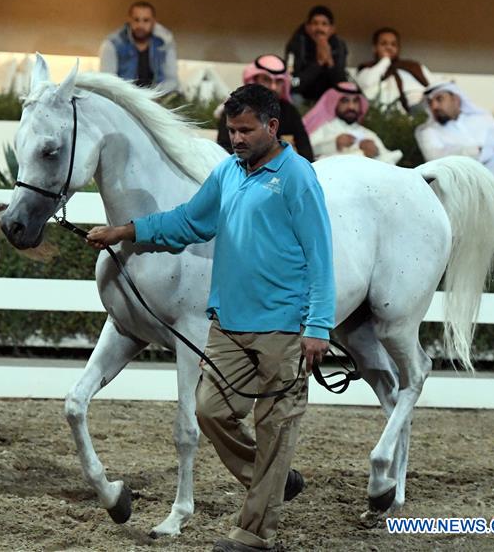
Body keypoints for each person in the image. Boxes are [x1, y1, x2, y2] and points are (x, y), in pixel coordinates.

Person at [85, 84, 334, 552]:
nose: (236, 139)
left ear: (272, 127)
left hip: (282, 325)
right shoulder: (228, 173)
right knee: (210, 412)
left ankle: (254, 532)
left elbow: (320, 254)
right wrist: (128, 231)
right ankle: (270, 481)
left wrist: (318, 325)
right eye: (231, 130)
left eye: (245, 130)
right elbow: (188, 222)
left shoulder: (297, 177)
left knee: (275, 425)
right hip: (228, 324)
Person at [416, 82, 494, 194]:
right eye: (430, 102)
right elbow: (435, 159)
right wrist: (479, 150)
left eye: (439, 99)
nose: (434, 106)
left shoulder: (483, 119)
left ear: (456, 99)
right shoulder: (428, 131)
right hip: (466, 179)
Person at [217, 54, 313, 161]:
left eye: (279, 81)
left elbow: (305, 150)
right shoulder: (235, 108)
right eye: (267, 80)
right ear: (254, 80)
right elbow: (224, 151)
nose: (273, 87)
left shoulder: (290, 112)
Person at [302, 82, 402, 164]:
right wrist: (333, 144)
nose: (351, 107)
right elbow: (303, 152)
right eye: (345, 101)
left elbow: (390, 163)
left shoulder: (369, 134)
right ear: (334, 103)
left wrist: (376, 153)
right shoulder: (323, 128)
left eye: (355, 101)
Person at [99, 1, 179, 92]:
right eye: (136, 20)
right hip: (124, 99)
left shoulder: (164, 43)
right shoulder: (112, 44)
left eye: (146, 20)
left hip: (157, 99)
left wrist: (155, 95)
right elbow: (108, 82)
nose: (140, 25)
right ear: (129, 20)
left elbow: (172, 80)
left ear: (154, 22)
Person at [356, 27, 435, 113]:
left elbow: (437, 88)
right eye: (384, 44)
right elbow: (365, 85)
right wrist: (385, 61)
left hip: (420, 108)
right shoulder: (367, 69)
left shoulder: (414, 66)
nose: (389, 47)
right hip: (388, 113)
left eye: (393, 44)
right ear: (374, 48)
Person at [284, 5, 348, 102]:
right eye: (315, 23)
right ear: (307, 27)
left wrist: (330, 62)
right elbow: (292, 83)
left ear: (332, 29)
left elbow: (342, 85)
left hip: (328, 99)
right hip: (302, 97)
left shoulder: (339, 46)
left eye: (324, 24)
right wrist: (318, 63)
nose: (319, 28)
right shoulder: (296, 45)